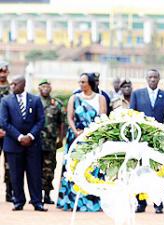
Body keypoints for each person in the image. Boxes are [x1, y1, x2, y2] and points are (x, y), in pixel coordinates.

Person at [57, 73, 107, 212]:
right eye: (79, 81)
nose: (80, 84)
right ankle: (72, 201)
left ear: (90, 83)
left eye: (83, 82)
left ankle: (92, 201)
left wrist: (91, 132)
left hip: (93, 139)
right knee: (73, 167)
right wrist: (76, 131)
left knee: (93, 168)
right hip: (76, 139)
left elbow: (103, 118)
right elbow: (70, 117)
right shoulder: (74, 98)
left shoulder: (100, 98)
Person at [0, 76, 47, 211]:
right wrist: (20, 137)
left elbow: (41, 120)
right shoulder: (5, 101)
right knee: (15, 175)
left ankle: (37, 201)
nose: (12, 86)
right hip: (14, 144)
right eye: (12, 84)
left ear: (23, 84)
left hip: (33, 144)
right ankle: (18, 201)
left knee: (35, 174)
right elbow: (4, 122)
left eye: (15, 84)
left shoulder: (36, 100)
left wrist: (30, 136)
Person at [130, 68, 164, 214]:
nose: (153, 79)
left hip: (159, 140)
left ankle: (159, 203)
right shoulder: (137, 94)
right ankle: (141, 202)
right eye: (150, 77)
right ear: (146, 78)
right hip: (141, 140)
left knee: (160, 171)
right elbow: (132, 115)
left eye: (155, 77)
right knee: (140, 171)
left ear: (159, 79)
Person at [38, 79, 64, 205]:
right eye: (43, 86)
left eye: (48, 86)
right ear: (39, 88)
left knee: (50, 168)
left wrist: (61, 138)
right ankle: (36, 195)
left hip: (51, 142)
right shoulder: (34, 102)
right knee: (35, 168)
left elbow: (62, 122)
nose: (45, 88)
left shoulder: (56, 103)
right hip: (35, 142)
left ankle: (47, 195)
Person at [0, 61, 13, 202]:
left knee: (10, 164)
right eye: (0, 71)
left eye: (4, 71)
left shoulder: (12, 89)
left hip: (9, 133)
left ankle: (10, 192)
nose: (2, 74)